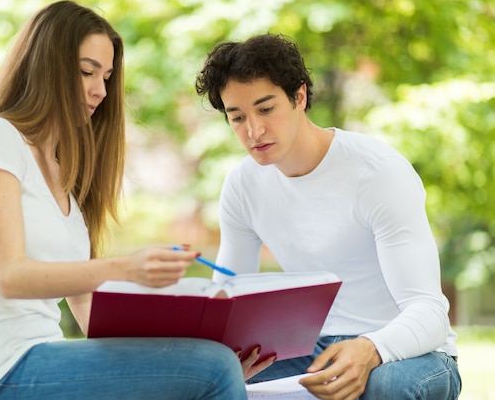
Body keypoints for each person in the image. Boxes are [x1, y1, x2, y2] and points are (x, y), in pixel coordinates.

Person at [0, 0, 252, 400]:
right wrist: (125, 268)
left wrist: (185, 355)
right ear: (46, 66)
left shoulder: (62, 175)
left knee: (213, 364)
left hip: (41, 357)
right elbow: (9, 276)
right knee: (213, 368)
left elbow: (86, 309)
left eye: (107, 76)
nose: (100, 90)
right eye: (86, 72)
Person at [195, 33, 462, 400]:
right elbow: (228, 300)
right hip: (310, 349)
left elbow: (430, 312)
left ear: (299, 96)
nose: (253, 131)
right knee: (204, 376)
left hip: (411, 350)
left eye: (266, 109)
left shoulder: (377, 173)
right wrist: (229, 356)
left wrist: (370, 349)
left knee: (386, 386)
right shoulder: (243, 184)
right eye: (237, 117)